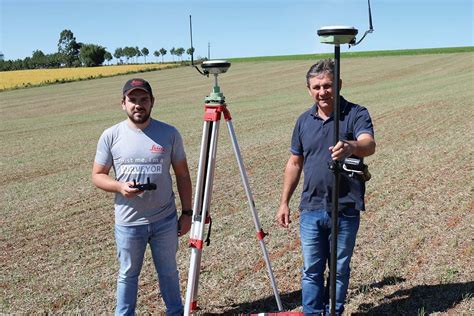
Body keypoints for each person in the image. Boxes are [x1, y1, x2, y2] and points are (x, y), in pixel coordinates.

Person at [276, 59, 376, 315]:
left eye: (328, 85)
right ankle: (312, 312)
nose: (322, 92)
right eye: (316, 87)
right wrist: (284, 201)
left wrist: (351, 146)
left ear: (339, 84)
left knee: (339, 268)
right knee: (311, 269)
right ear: (309, 90)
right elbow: (295, 163)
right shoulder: (303, 121)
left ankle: (334, 311)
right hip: (311, 208)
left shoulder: (355, 113)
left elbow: (369, 144)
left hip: (345, 207)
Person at [92, 78, 193, 315]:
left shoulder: (169, 133)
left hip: (165, 220)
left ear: (152, 102)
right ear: (123, 104)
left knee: (169, 272)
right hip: (128, 223)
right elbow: (97, 175)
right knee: (127, 275)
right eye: (133, 100)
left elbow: (183, 175)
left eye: (143, 99)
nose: (138, 105)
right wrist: (119, 187)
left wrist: (187, 212)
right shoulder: (111, 135)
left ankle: (175, 312)